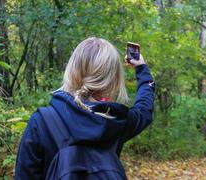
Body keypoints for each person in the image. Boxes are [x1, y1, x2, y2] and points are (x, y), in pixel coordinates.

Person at [15, 37, 155, 179]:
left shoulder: (42, 122)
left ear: (73, 69)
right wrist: (141, 68)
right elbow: (144, 109)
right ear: (113, 78)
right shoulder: (117, 121)